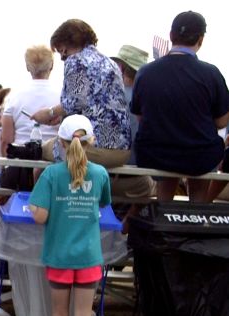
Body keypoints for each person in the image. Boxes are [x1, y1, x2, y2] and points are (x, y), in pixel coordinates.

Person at [29, 115, 111, 316]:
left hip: (60, 256)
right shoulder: (101, 174)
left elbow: (39, 215)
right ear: (90, 142)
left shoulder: (51, 174)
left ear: (60, 144)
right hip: (88, 257)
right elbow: (103, 204)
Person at [131, 11, 229, 203]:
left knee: (168, 157)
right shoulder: (211, 74)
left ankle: (163, 215)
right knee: (202, 154)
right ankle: (197, 216)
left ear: (171, 35)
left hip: (155, 154)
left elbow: (141, 117)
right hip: (199, 157)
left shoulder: (145, 72)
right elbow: (222, 121)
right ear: (200, 40)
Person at [32, 19, 130, 168]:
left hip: (95, 148)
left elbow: (72, 103)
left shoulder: (75, 61)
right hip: (122, 151)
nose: (61, 57)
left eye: (60, 52)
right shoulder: (110, 62)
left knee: (42, 150)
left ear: (64, 46)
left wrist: (49, 113)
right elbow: (90, 104)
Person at [109, 45, 155, 201]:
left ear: (120, 67)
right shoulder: (149, 100)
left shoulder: (105, 95)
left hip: (102, 178)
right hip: (137, 180)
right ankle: (128, 223)